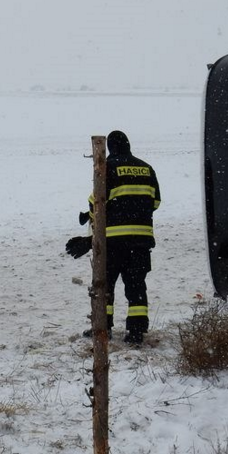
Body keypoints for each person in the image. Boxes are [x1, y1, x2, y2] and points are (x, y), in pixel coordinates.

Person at [69, 130, 161, 345]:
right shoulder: (146, 168)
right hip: (141, 240)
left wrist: (89, 216)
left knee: (105, 285)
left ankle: (103, 327)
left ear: (110, 147)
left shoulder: (107, 168)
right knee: (136, 286)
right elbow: (155, 202)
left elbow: (97, 202)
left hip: (112, 240)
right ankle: (136, 332)